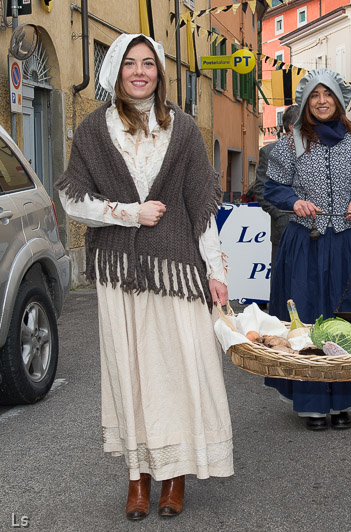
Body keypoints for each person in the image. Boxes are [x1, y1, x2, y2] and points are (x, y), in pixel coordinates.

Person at [55, 34, 232, 520]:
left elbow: (201, 208)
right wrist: (129, 213)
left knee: (176, 374)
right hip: (121, 275)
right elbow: (73, 199)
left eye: (148, 64)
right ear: (115, 71)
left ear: (159, 71)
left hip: (177, 270)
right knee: (128, 375)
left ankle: (174, 476)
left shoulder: (185, 130)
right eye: (130, 63)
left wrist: (215, 269)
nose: (140, 72)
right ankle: (138, 479)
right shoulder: (94, 130)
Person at [262, 68, 351, 431]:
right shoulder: (289, 144)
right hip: (305, 244)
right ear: (306, 101)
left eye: (328, 95)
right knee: (307, 322)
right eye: (315, 95)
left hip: (349, 242)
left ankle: (346, 399)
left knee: (350, 321)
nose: (322, 101)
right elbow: (273, 189)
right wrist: (294, 201)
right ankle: (311, 404)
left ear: (340, 100)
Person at [253, 104, 300, 291]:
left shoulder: (316, 149)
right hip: (284, 229)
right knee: (283, 282)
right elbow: (261, 190)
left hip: (312, 228)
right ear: (292, 127)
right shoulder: (270, 152)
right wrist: (280, 214)